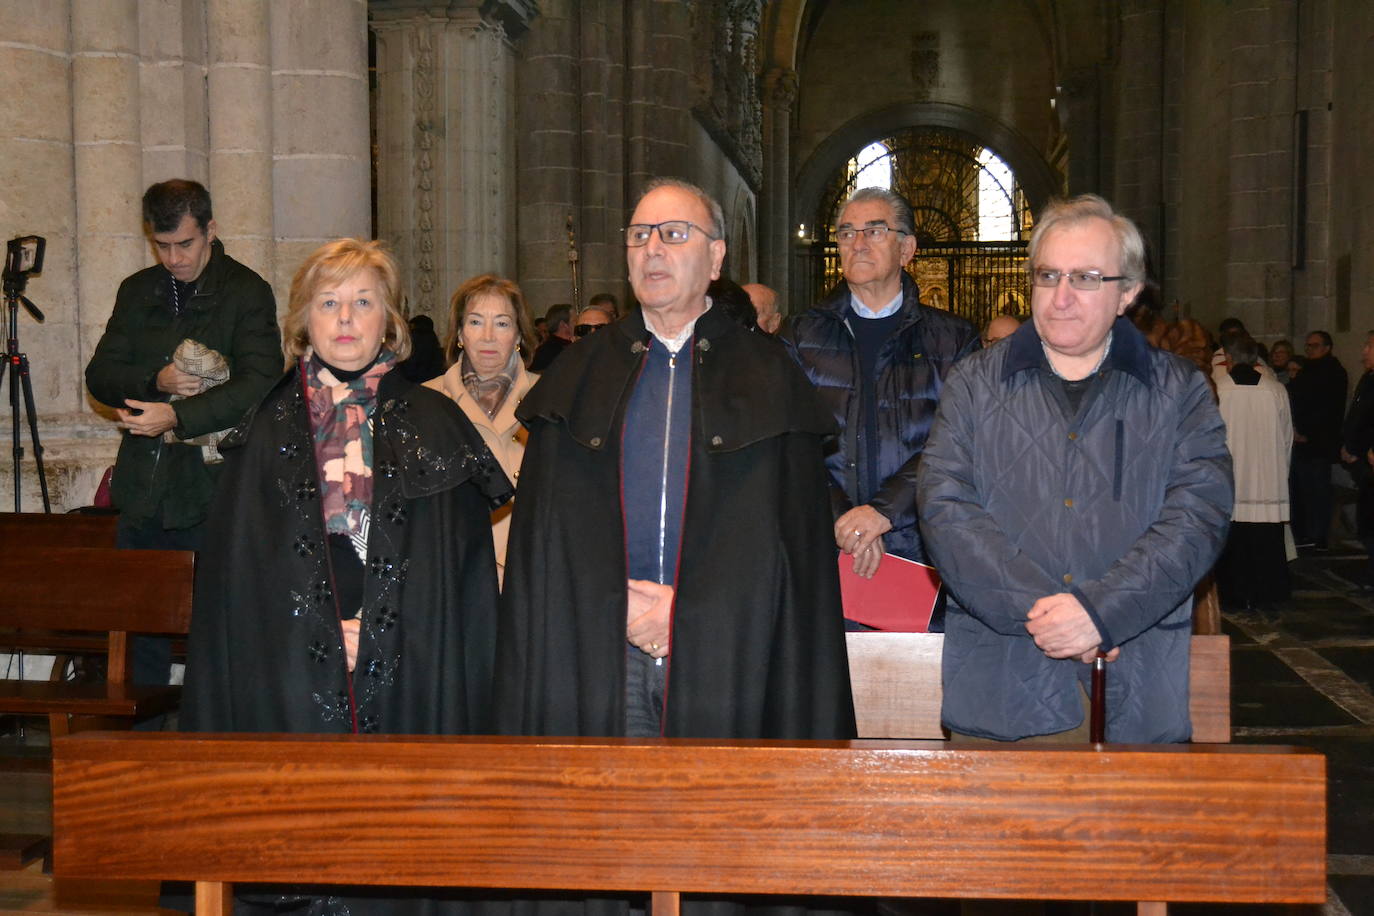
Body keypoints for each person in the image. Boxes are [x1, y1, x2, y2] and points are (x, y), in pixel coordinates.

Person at [181, 238, 508, 912]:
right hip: (291, 669)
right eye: (329, 303)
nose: (347, 319)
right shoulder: (265, 430)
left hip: (413, 664)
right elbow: (241, 587)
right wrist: (323, 631)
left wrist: (382, 632)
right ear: (303, 320)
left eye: (363, 301)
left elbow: (459, 584)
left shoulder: (434, 421)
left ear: (389, 318)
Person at [497, 177, 854, 746]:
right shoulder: (580, 372)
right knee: (609, 823)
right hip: (601, 650)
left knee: (713, 824)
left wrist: (686, 611)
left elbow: (783, 546)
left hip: (732, 655)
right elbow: (549, 538)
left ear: (715, 257)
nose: (653, 249)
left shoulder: (769, 375)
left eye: (674, 233)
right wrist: (613, 598)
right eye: (639, 236)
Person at [917, 194, 1232, 743]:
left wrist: (1101, 613)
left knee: (1127, 832)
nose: (1061, 297)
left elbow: (1198, 517)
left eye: (1086, 277)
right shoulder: (974, 383)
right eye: (1048, 275)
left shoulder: (1178, 391)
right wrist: (1049, 618)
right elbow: (944, 510)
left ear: (1127, 292)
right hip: (1005, 681)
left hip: (1134, 678)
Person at [85, 178, 281, 687]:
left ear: (210, 230)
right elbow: (100, 376)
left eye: (185, 244)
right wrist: (156, 379)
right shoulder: (137, 290)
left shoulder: (245, 291)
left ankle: (208, 749)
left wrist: (177, 416)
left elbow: (262, 382)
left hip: (212, 492)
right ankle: (145, 752)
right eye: (162, 245)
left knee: (216, 636)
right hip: (143, 491)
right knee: (140, 636)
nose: (173, 258)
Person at [780, 187, 978, 618]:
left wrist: (882, 513)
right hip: (823, 546)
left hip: (922, 550)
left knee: (910, 683)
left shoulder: (954, 339)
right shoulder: (800, 336)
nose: (858, 242)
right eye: (847, 232)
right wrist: (846, 520)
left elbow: (959, 444)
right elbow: (789, 441)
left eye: (874, 230)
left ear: (907, 249)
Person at [426, 274, 539, 583]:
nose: (488, 336)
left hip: (529, 576)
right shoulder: (426, 403)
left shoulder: (549, 400)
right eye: (476, 322)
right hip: (454, 577)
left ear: (518, 335)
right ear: (460, 333)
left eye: (502, 324)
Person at [1215, 334, 1293, 613]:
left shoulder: (1219, 389)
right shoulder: (1276, 390)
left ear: (1229, 359)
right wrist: (1279, 469)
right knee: (1265, 541)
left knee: (1234, 542)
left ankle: (1235, 594)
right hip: (1266, 480)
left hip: (1232, 478)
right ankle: (1268, 593)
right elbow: (1287, 436)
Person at [1289, 329, 1347, 549]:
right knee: (1301, 490)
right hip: (1302, 441)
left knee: (1317, 491)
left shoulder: (1333, 372)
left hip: (1318, 441)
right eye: (1308, 346)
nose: (1310, 349)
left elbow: (1328, 408)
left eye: (1314, 345)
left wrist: (1306, 432)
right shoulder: (1308, 370)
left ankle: (1317, 534)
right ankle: (1303, 533)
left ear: (1327, 348)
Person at [1341, 332, 1374, 591]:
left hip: (1368, 458)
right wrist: (1348, 445)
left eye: (1369, 346)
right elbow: (1358, 414)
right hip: (1362, 460)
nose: (1363, 352)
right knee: (1367, 523)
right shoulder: (1367, 379)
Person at [530, 303, 574, 370]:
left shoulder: (542, 350)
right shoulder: (565, 351)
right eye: (574, 321)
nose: (578, 324)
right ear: (563, 325)